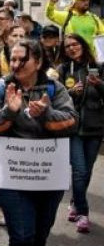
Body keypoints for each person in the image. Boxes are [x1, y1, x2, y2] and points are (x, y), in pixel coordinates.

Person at [0, 39, 77, 246]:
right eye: (12, 59)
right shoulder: (1, 88)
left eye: (22, 59)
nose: (15, 65)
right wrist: (9, 112)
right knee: (22, 237)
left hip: (48, 176)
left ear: (39, 62)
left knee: (40, 236)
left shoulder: (54, 89)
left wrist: (45, 114)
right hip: (13, 177)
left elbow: (71, 123)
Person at [57, 33, 104, 233]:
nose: (71, 48)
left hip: (95, 127)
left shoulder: (99, 67)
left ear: (83, 45)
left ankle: (76, 201)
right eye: (67, 46)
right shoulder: (63, 69)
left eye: (74, 44)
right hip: (73, 127)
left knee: (88, 169)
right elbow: (54, 97)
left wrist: (99, 85)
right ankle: (83, 213)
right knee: (79, 170)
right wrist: (70, 93)